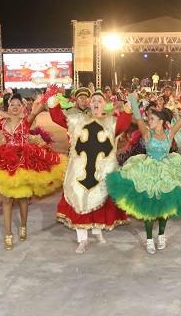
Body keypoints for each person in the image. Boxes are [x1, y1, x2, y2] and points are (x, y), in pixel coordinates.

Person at [107, 93, 181, 254]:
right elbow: (138, 119)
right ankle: (148, 239)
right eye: (150, 118)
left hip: (167, 170)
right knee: (149, 208)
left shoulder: (169, 133)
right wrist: (132, 100)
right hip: (148, 171)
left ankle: (161, 235)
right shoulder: (147, 133)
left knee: (165, 205)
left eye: (152, 119)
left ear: (161, 121)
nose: (149, 120)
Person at [0, 89, 66, 249]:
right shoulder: (1, 122)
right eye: (12, 104)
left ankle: (23, 226)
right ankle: (8, 235)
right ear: (8, 107)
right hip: (5, 161)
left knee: (23, 198)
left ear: (23, 108)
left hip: (24, 161)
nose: (15, 107)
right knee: (7, 199)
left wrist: (47, 95)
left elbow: (38, 109)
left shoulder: (26, 121)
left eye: (18, 104)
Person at [48, 88, 132, 253]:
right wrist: (52, 98)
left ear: (105, 106)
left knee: (98, 200)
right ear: (89, 103)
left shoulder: (111, 122)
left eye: (100, 101)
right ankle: (82, 239)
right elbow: (58, 117)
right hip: (80, 170)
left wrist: (129, 106)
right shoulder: (77, 120)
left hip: (101, 171)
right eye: (93, 100)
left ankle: (97, 232)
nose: (96, 103)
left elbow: (124, 124)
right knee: (80, 200)